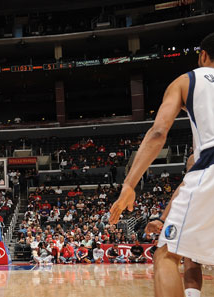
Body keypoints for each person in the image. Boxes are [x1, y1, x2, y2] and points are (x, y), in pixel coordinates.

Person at [109, 33, 214, 297]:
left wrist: (129, 184)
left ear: (202, 56)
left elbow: (158, 132)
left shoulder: (188, 80)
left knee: (167, 254)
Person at [145, 155, 203, 297]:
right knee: (191, 258)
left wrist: (162, 219)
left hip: (202, 200)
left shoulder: (200, 151)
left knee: (166, 255)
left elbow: (187, 184)